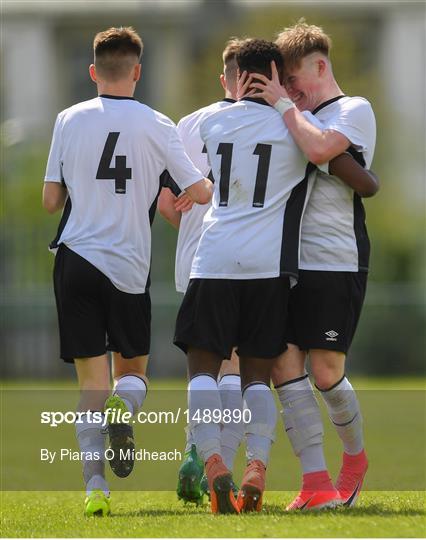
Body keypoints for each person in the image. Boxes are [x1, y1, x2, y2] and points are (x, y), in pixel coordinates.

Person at [173, 38, 368, 514]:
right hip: (268, 269)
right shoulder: (296, 130)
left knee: (203, 369)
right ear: (278, 77)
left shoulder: (211, 123)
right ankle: (257, 466)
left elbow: (196, 181)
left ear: (237, 78)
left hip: (214, 260)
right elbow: (349, 171)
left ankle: (215, 459)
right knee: (260, 375)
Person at [42, 26, 212, 517]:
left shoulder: (68, 119)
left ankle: (95, 488)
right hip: (129, 267)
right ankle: (125, 409)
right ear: (138, 71)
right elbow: (199, 192)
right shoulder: (158, 124)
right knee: (132, 373)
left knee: (89, 385)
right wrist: (189, 189)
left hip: (75, 260)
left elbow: (52, 200)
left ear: (93, 71)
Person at [244, 20, 378, 510]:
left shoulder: (353, 109)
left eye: (294, 82)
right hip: (282, 261)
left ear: (319, 67)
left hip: (333, 259)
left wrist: (283, 106)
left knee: (325, 372)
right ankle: (316, 481)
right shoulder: (291, 117)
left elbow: (321, 148)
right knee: (284, 364)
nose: (290, 93)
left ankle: (355, 460)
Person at [157, 38, 246, 505]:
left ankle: (195, 451)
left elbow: (165, 205)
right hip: (241, 259)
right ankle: (221, 465)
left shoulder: (187, 124)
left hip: (193, 260)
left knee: (200, 368)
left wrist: (188, 215)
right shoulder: (266, 121)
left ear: (221, 78)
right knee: (232, 364)